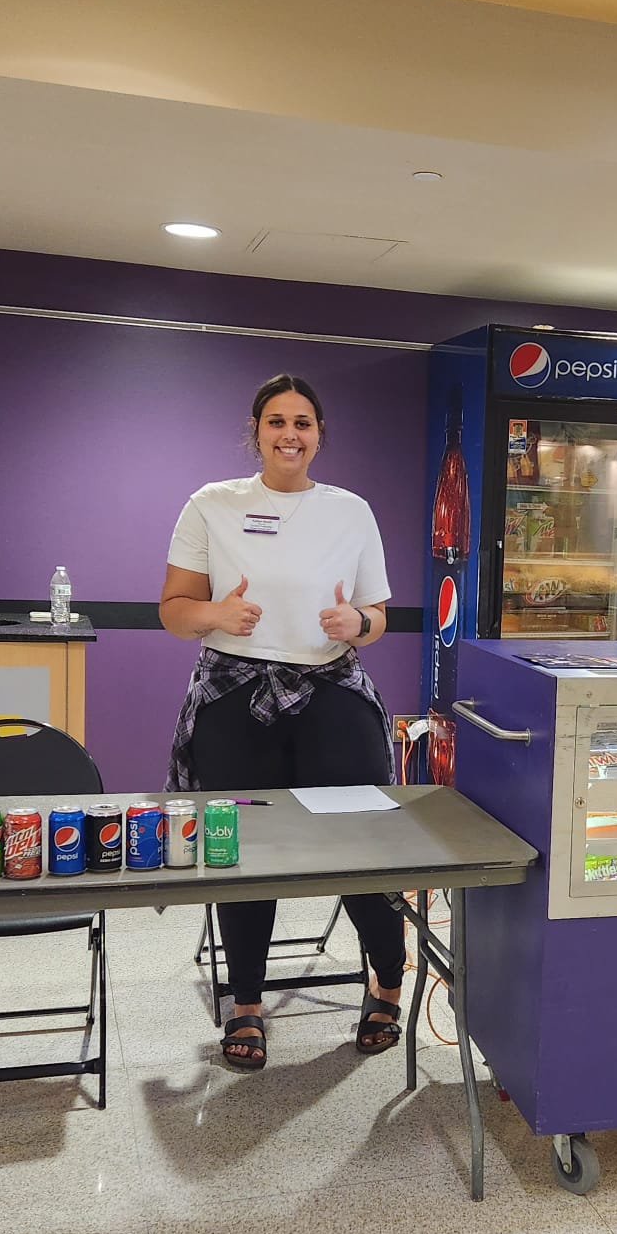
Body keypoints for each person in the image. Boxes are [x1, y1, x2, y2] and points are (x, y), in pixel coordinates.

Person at [160, 375, 404, 1072]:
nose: (289, 434)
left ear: (319, 432)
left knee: (362, 844)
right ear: (256, 430)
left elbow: (377, 615)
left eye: (302, 421)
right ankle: (245, 1004)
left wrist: (358, 621)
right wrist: (214, 614)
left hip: (330, 688)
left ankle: (386, 978)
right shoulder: (212, 503)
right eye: (276, 421)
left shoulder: (351, 511)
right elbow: (174, 609)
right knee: (243, 852)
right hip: (236, 694)